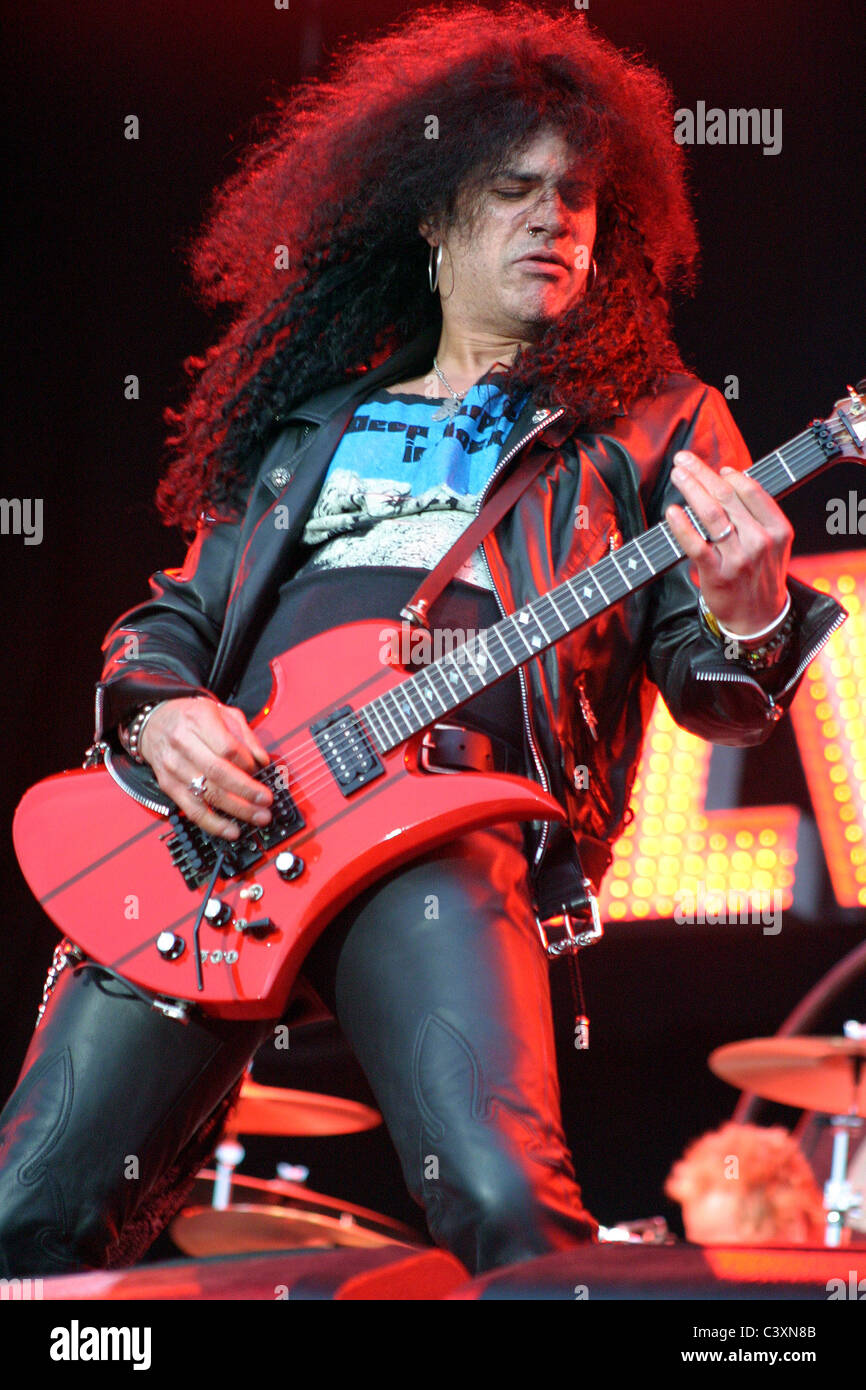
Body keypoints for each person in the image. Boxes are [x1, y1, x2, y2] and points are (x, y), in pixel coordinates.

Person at [0, 2, 844, 1278]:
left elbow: (719, 695)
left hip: (442, 829)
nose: (554, 216)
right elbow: (168, 624)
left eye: (576, 195)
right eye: (512, 189)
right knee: (23, 1215)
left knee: (507, 1203)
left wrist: (749, 611)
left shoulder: (654, 424)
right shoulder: (312, 428)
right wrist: (162, 713)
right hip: (225, 843)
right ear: (434, 218)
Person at [665, 1123, 826, 1245]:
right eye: (699, 1249)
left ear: (794, 1229)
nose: (710, 1271)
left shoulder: (845, 1287)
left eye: (725, 1252)